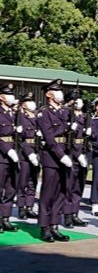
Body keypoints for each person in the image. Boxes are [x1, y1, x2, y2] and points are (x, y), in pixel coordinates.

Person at [37, 79, 70, 242]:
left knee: (61, 192)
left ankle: (55, 224)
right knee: (48, 193)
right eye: (57, 91)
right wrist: (61, 156)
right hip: (52, 157)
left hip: (67, 155)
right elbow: (49, 138)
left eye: (60, 91)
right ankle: (44, 227)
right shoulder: (44, 112)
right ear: (49, 95)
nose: (60, 94)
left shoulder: (66, 111)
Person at [63, 89, 90, 228]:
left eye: (80, 98)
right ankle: (67, 215)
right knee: (69, 185)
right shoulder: (67, 114)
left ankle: (75, 213)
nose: (79, 101)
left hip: (84, 152)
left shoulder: (85, 117)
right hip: (72, 153)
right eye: (76, 99)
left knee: (79, 185)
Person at [16, 92, 40, 220]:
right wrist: (29, 154)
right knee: (23, 181)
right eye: (29, 102)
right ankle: (21, 207)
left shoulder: (37, 118)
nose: (32, 104)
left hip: (37, 151)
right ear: (23, 105)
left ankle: (30, 206)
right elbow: (20, 139)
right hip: (25, 153)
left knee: (33, 181)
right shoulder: (20, 118)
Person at [0, 83, 19, 233]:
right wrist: (7, 150)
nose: (11, 97)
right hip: (2, 156)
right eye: (8, 94)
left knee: (11, 188)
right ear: (1, 97)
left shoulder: (15, 113)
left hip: (15, 154)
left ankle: (5, 218)